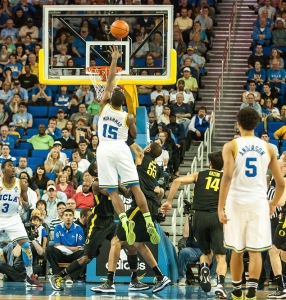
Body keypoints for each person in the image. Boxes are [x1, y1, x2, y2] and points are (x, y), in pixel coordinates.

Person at [217, 107, 285, 300]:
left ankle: (237, 291)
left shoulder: (231, 146)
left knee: (237, 250)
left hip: (236, 201)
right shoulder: (269, 147)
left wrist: (220, 207)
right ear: (257, 124)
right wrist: (272, 203)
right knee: (256, 250)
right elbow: (280, 182)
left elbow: (228, 176)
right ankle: (252, 293)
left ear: (238, 124)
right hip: (258, 202)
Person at [97, 45, 159, 245]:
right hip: (121, 148)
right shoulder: (129, 116)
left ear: (109, 100)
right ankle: (149, 221)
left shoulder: (103, 106)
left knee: (113, 191)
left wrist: (114, 59)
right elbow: (133, 134)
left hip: (104, 148)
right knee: (135, 187)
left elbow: (110, 81)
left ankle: (124, 222)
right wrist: (130, 124)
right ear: (123, 103)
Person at [91, 141, 171, 293]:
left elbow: (133, 146)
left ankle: (109, 283)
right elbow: (154, 189)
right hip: (152, 204)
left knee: (116, 241)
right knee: (139, 243)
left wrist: (122, 136)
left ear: (148, 149)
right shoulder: (156, 167)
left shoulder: (142, 156)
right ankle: (160, 277)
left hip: (141, 205)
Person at [164, 151, 227, 297]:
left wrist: (168, 201)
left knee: (205, 252)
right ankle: (220, 284)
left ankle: (204, 267)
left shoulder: (199, 175)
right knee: (220, 255)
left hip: (198, 216)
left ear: (210, 164)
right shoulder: (226, 178)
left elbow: (176, 181)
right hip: (216, 216)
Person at [0, 160, 42, 286]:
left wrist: (24, 203)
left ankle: (29, 275)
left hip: (13, 218)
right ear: (3, 170)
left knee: (26, 245)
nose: (13, 168)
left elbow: (28, 207)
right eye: (9, 166)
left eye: (13, 166)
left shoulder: (21, 183)